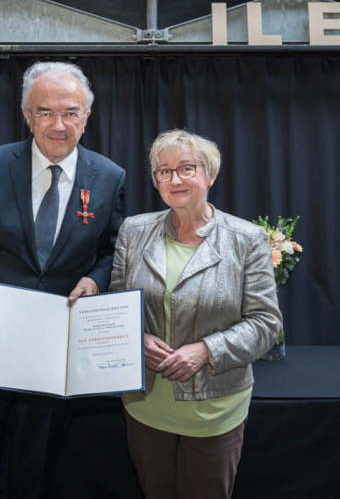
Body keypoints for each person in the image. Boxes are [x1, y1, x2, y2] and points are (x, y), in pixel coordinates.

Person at [0, 61, 126, 499]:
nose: (58, 125)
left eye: (70, 112)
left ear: (86, 117)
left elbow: (110, 253)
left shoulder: (109, 176)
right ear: (27, 116)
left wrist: (96, 282)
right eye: (45, 112)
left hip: (54, 358)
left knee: (35, 479)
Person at [109, 129, 282, 499]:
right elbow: (116, 306)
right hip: (145, 406)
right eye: (164, 171)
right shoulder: (133, 231)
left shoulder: (247, 239)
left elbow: (266, 324)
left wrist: (206, 350)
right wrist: (135, 339)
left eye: (186, 168)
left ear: (211, 175)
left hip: (214, 410)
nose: (175, 180)